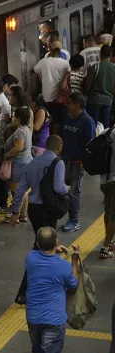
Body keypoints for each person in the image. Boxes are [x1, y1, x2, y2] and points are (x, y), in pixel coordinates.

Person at [24, 228, 79, 353]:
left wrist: (53, 250)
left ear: (38, 243)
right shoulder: (63, 266)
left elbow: (42, 257)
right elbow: (73, 285)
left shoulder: (30, 258)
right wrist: (74, 261)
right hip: (53, 320)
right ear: (56, 242)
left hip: (33, 317)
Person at [10, 135, 67, 304]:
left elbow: (20, 190)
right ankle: (24, 292)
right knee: (42, 249)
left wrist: (15, 212)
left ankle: (29, 291)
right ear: (59, 147)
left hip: (33, 210)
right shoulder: (58, 163)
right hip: (48, 210)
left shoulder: (33, 163)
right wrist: (67, 190)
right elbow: (58, 187)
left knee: (41, 247)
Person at [60, 92, 96, 232]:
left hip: (77, 161)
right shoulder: (68, 117)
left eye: (71, 103)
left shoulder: (87, 122)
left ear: (78, 105)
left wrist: (83, 162)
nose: (69, 105)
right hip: (65, 159)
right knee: (60, 188)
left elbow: (90, 145)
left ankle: (74, 221)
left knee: (74, 192)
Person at [4, 108, 33, 224]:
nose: (12, 118)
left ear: (18, 118)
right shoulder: (27, 129)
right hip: (26, 161)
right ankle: (23, 215)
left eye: (14, 116)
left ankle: (15, 214)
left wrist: (7, 154)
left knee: (16, 190)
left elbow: (18, 147)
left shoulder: (20, 131)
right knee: (22, 190)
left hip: (20, 163)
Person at [34, 42, 70, 131]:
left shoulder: (44, 62)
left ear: (50, 49)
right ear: (60, 51)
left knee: (47, 120)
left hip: (46, 97)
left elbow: (35, 70)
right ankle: (55, 139)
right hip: (59, 99)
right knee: (57, 121)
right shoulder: (65, 63)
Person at [86, 46, 115, 128]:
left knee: (93, 125)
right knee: (105, 126)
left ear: (100, 54)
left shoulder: (95, 67)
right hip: (108, 101)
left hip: (94, 100)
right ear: (111, 55)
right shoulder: (114, 68)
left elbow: (88, 86)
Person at [100, 126, 115, 259]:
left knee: (108, 212)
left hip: (104, 180)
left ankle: (109, 241)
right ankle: (105, 247)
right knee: (114, 216)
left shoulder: (106, 132)